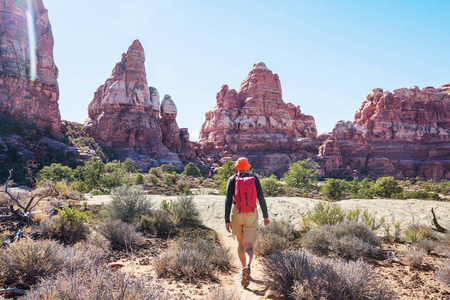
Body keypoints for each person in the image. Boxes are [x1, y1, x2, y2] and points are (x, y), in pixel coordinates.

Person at [225, 157, 270, 288]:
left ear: (237, 168)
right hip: (251, 212)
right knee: (249, 246)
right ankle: (249, 266)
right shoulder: (254, 179)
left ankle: (243, 267)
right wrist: (265, 215)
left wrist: (227, 220)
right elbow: (261, 198)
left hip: (237, 212)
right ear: (248, 167)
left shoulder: (232, 179)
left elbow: (228, 200)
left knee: (240, 242)